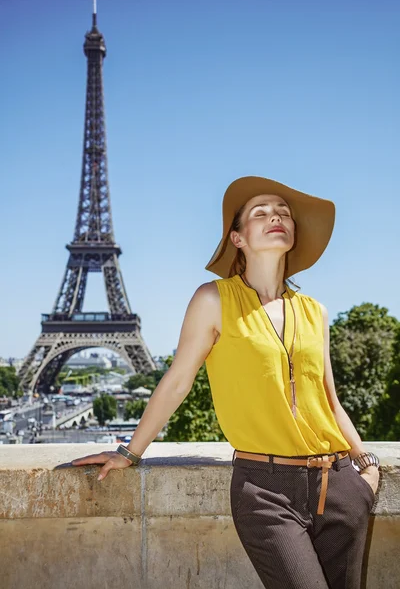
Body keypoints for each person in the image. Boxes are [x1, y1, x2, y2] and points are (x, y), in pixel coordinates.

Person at [72, 176, 380, 589]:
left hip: (338, 484)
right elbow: (178, 380)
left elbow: (328, 399)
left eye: (284, 213)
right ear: (237, 237)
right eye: (261, 212)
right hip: (265, 490)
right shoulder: (213, 299)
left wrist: (365, 469)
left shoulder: (315, 312)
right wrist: (130, 452)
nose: (276, 217)